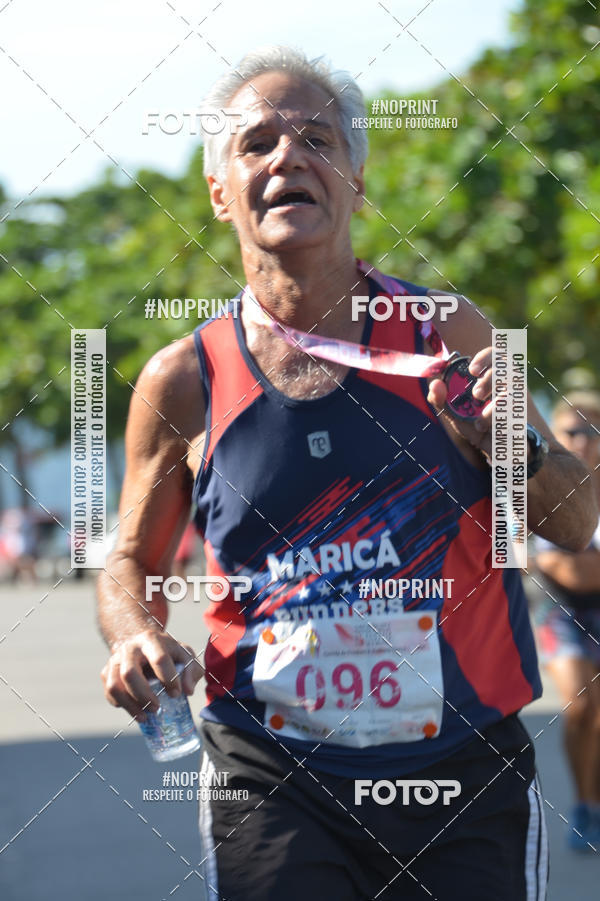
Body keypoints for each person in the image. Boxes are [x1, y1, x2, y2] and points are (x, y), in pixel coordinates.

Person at [98, 46, 598, 900]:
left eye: (317, 139)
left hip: (458, 767)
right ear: (220, 192)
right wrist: (134, 635)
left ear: (356, 180)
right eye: (257, 144)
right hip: (273, 773)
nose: (288, 157)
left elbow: (574, 522)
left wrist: (506, 437)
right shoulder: (184, 377)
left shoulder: (447, 330)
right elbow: (128, 562)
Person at [532, 391, 600, 851]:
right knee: (581, 708)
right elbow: (570, 572)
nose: (580, 441)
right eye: (570, 431)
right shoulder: (541, 485)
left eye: (591, 431)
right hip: (563, 611)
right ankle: (583, 805)